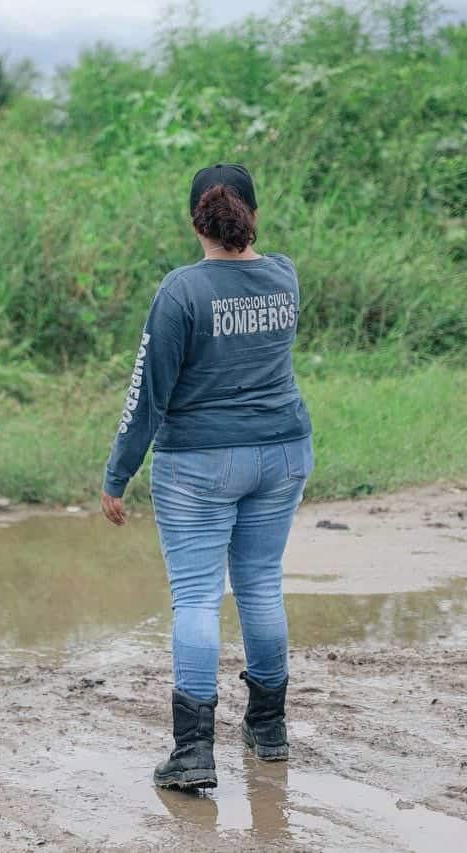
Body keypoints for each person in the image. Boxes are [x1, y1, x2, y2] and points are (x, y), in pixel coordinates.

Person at [100, 164, 314, 788]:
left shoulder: (181, 292)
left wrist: (118, 473)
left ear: (196, 221)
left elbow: (148, 393)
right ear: (254, 215)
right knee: (261, 586)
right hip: (283, 452)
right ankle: (269, 729)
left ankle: (193, 753)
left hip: (199, 463)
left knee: (196, 596)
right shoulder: (284, 276)